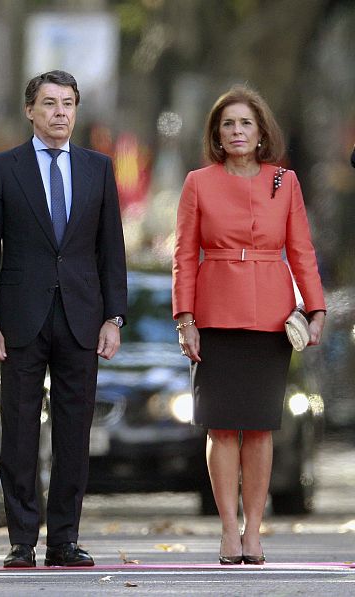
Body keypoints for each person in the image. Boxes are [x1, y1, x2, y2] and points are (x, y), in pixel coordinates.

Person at [0, 70, 127, 568]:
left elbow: (111, 252)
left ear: (76, 110)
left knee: (73, 433)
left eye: (68, 103)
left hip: (83, 318)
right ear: (30, 111)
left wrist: (115, 318)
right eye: (50, 103)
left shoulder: (99, 169)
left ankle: (64, 538)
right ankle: (21, 539)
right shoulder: (1, 169)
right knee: (17, 430)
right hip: (19, 320)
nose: (60, 112)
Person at [172, 84, 325, 565]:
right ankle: (227, 531)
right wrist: (185, 318)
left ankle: (254, 531)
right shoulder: (198, 182)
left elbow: (300, 249)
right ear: (216, 134)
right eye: (228, 124)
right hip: (215, 314)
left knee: (259, 429)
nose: (237, 131)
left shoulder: (286, 181)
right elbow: (183, 255)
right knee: (220, 428)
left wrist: (316, 308)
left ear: (261, 133)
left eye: (245, 123)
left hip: (270, 318)